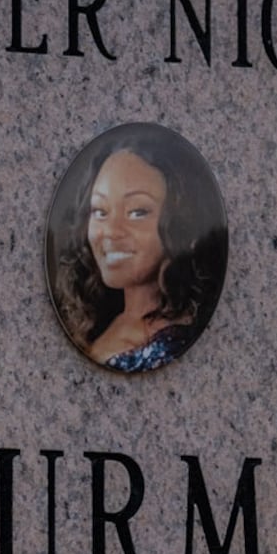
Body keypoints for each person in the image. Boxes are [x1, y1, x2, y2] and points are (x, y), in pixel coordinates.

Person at [48, 123, 226, 372]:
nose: (111, 231)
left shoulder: (173, 341)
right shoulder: (95, 320)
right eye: (100, 211)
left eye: (137, 212)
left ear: (181, 223)